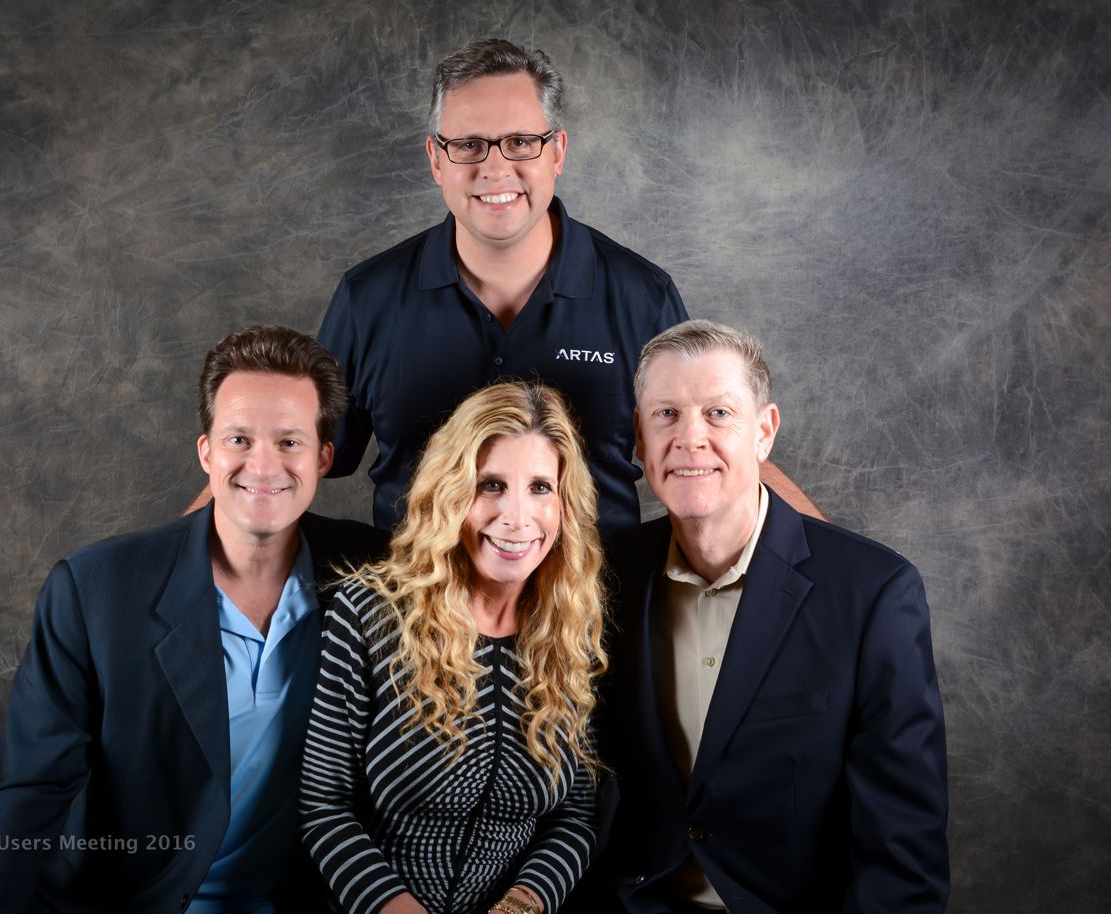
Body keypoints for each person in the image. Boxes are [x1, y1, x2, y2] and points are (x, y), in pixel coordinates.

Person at [317, 38, 820, 536]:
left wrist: (833, 560)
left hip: (599, 588)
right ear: (435, 158)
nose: (495, 168)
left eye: (520, 142)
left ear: (556, 151)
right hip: (416, 587)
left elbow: (705, 449)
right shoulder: (367, 299)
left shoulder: (641, 297)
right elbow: (302, 455)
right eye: (469, 145)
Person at [0, 326, 384, 913]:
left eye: (290, 442)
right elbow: (28, 796)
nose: (263, 465)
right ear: (206, 452)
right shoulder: (95, 591)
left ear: (324, 458)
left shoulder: (374, 574)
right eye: (239, 439)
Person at [593, 320, 949, 913]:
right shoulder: (605, 578)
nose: (690, 438)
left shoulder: (873, 594)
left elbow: (903, 853)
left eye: (718, 414)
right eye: (666, 415)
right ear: (639, 437)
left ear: (764, 432)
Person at [300, 381, 606, 914]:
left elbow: (576, 817)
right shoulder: (370, 614)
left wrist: (518, 908)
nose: (517, 517)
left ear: (565, 505)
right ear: (450, 492)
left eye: (540, 487)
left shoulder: (568, 630)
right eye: (491, 485)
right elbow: (324, 807)